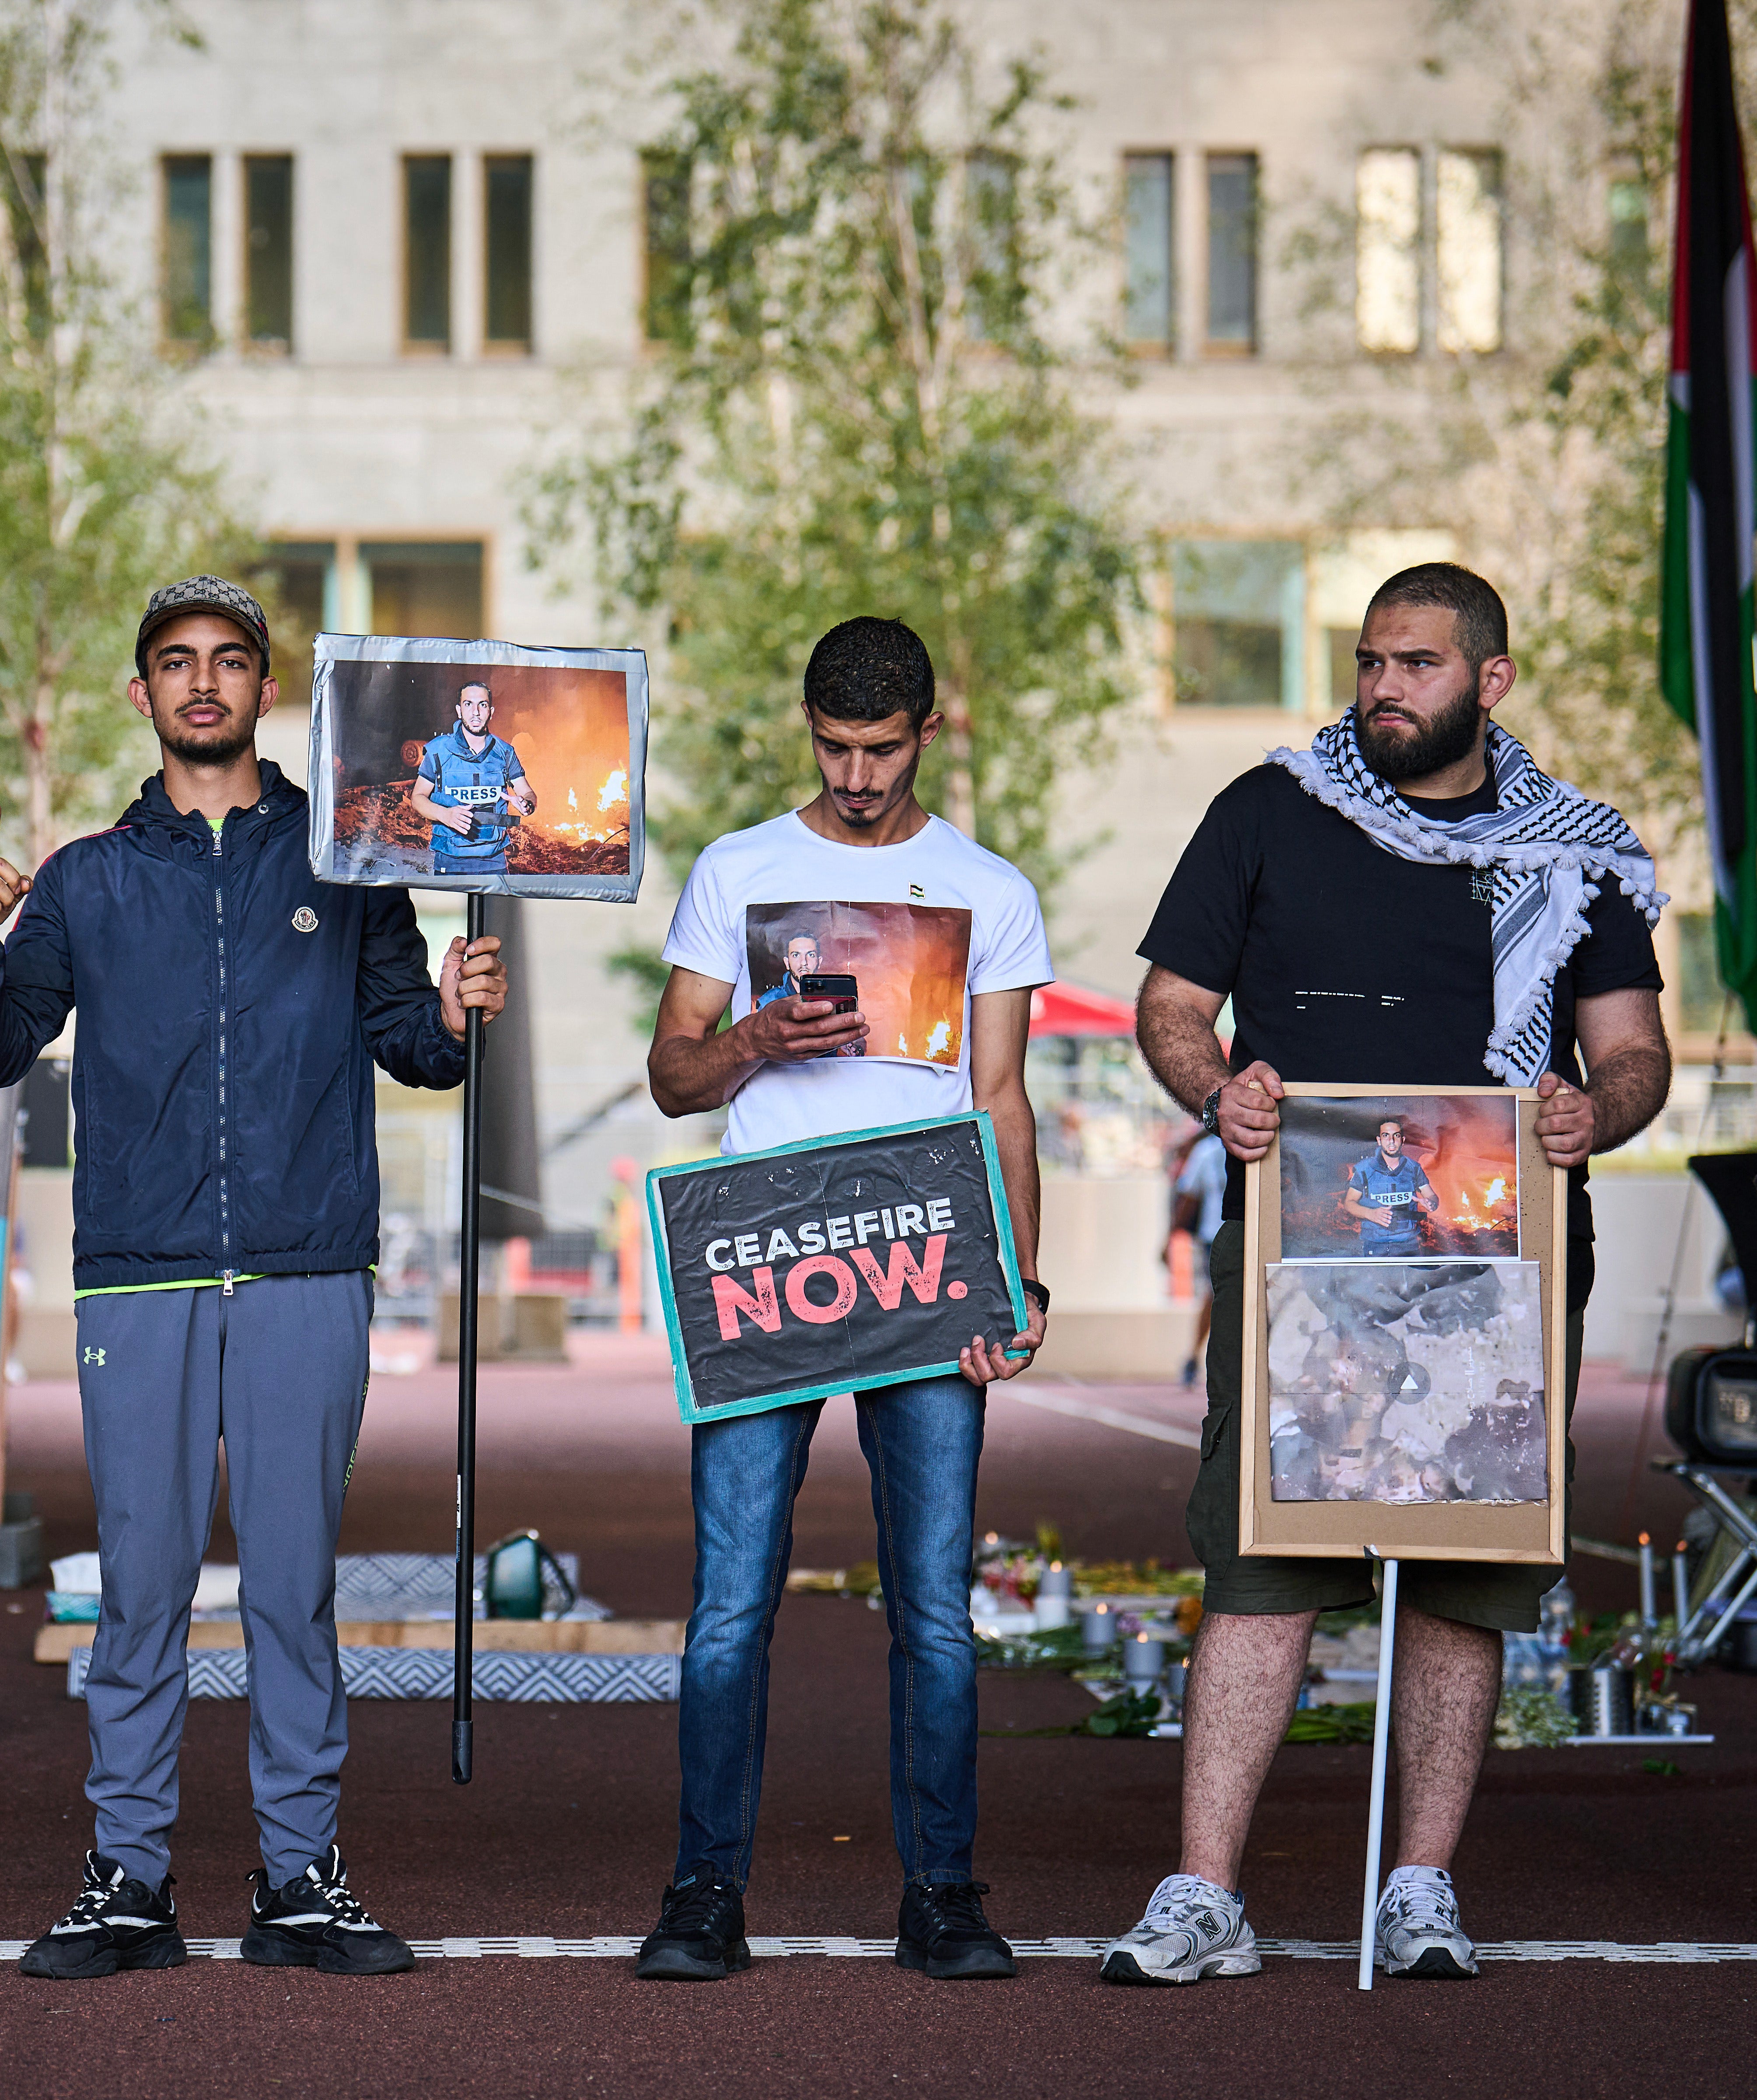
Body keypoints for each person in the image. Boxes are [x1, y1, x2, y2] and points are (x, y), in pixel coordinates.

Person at [1111, 562, 1670, 1985]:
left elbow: (1633, 1053)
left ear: (1490, 683)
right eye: (1369, 661)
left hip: (1503, 1247)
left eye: (1415, 665)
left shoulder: (1572, 851)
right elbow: (1171, 1007)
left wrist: (1591, 1114)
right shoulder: (1268, 810)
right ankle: (1203, 1896)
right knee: (1261, 1563)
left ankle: (1419, 1887)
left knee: (1462, 1575)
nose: (1380, 688)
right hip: (1303, 1236)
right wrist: (1216, 1087)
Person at [0, 574, 504, 1981]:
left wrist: (449, 1009)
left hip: (308, 1262)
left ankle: (298, 1876)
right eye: (177, 663)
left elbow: (415, 1047)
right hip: (138, 1275)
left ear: (266, 688)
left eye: (231, 661)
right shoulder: (81, 877)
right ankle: (128, 1877)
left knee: (291, 1586)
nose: (204, 682)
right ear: (142, 694)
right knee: (139, 1585)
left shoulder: (352, 857)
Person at [636, 616, 1051, 1985]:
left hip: (928, 1267)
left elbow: (999, 1099)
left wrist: (1021, 1278)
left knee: (933, 1604)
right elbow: (673, 1076)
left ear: (931, 730)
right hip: (762, 1256)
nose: (857, 774)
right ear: (805, 728)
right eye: (833, 746)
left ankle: (941, 1892)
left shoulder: (988, 886)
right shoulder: (739, 868)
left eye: (880, 748)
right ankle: (704, 1891)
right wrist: (755, 1037)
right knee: (729, 1604)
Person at [408, 677, 533, 877]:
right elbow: (418, 798)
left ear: (491, 712)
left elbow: (527, 792)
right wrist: (445, 815)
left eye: (482, 705)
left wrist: (526, 803)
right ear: (459, 710)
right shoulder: (438, 751)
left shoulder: (505, 752)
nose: (475, 712)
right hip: (450, 861)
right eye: (469, 704)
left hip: (494, 862)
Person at [1171, 1130, 1227, 1385]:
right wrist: (1171, 1237)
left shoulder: (1206, 1149)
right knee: (1215, 1297)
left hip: (1242, 1235)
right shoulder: (1207, 1150)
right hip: (1214, 1236)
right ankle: (1196, 1357)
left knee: (1219, 1297)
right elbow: (1190, 1197)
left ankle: (1202, 1358)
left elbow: (1189, 1197)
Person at [1342, 1118, 1438, 1255]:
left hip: (1409, 1244)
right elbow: (1349, 1203)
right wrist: (1370, 1214)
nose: (1392, 1141)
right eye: (1386, 1136)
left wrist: (1431, 1203)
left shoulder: (1414, 1168)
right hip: (1375, 1244)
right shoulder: (1365, 1169)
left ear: (1403, 1141)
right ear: (1379, 1141)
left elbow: (1432, 1196)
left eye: (1396, 1136)